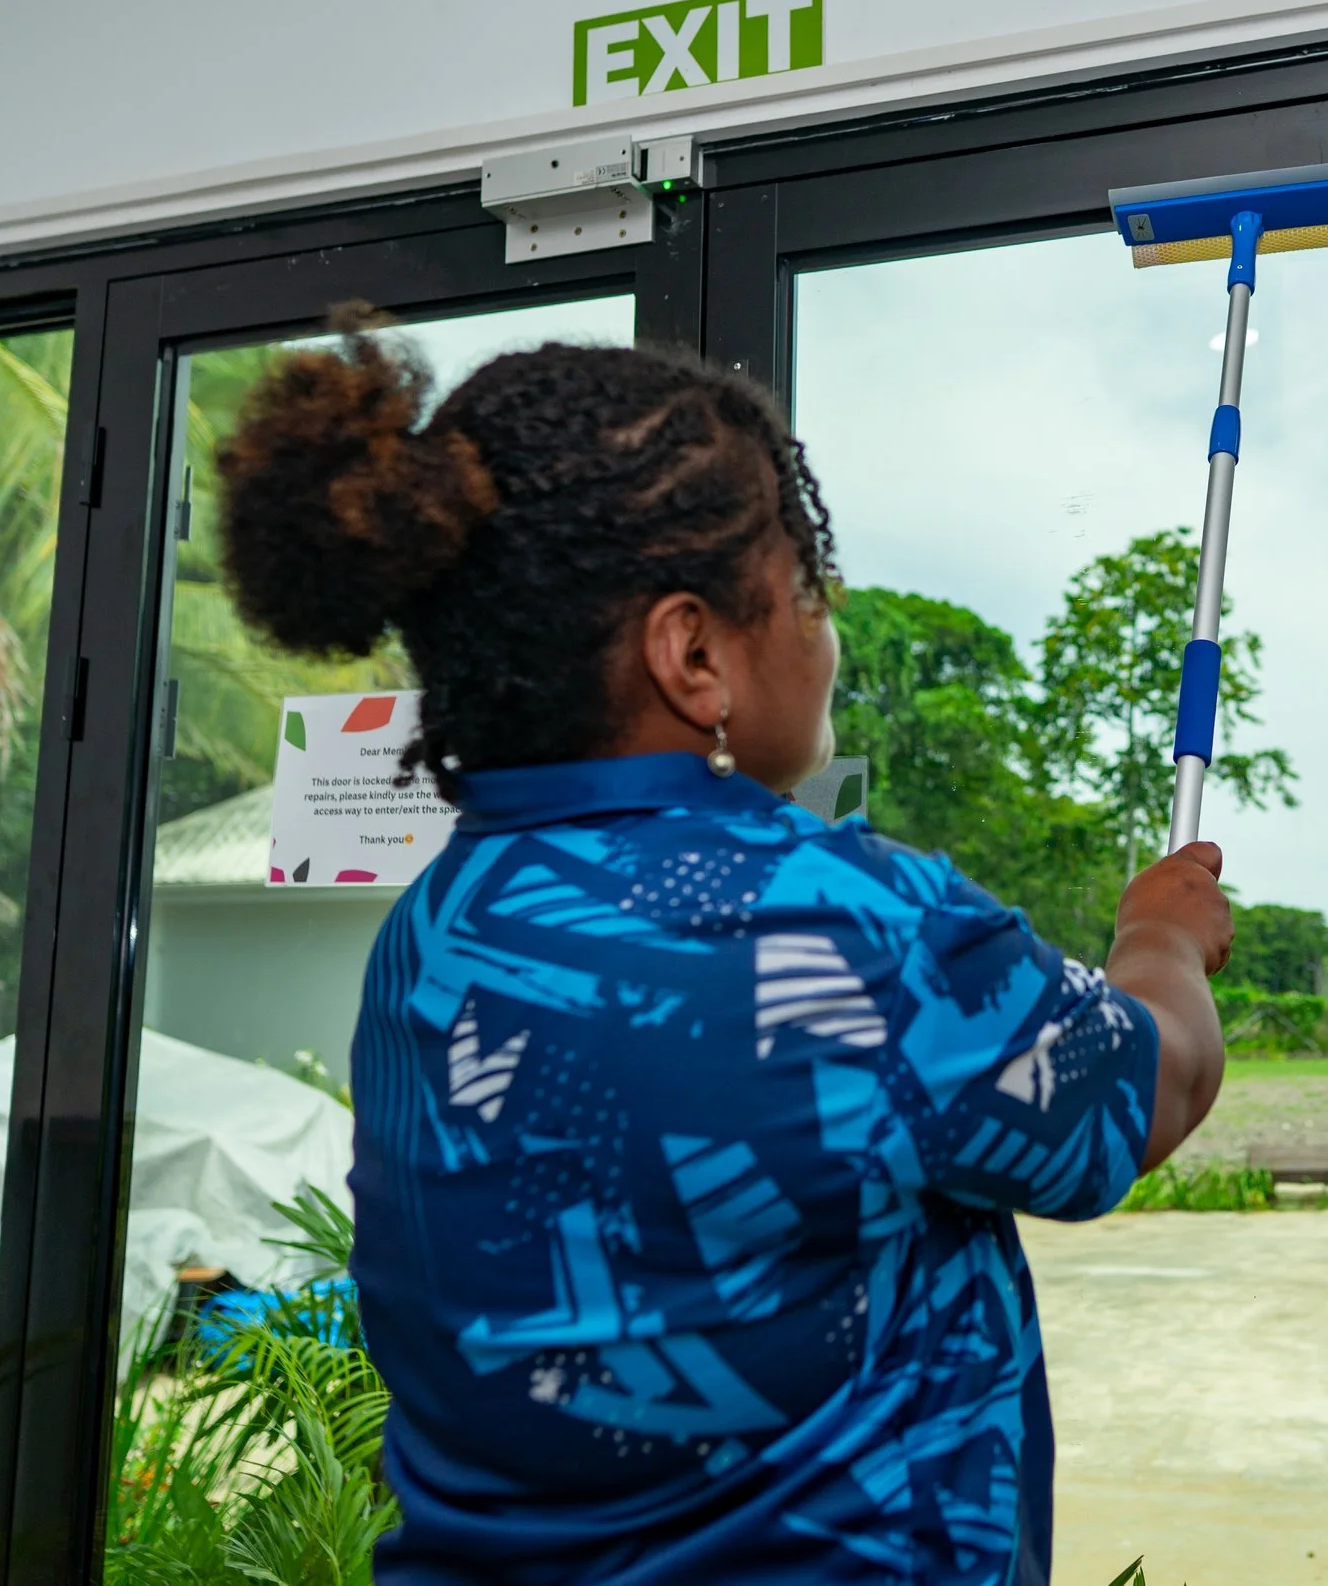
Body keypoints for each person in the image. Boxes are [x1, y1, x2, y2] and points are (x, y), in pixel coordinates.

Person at [214, 311, 1232, 1585]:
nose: (828, 628)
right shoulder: (842, 923)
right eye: (806, 588)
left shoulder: (434, 929)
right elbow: (1151, 1083)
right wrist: (1159, 932)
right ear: (693, 652)